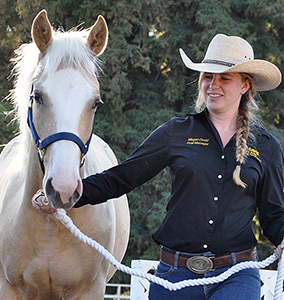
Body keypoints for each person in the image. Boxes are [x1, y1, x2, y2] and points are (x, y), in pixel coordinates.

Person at [33, 34, 284, 299]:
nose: (213, 85)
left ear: (245, 86)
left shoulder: (267, 147)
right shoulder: (176, 133)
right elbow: (122, 178)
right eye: (208, 76)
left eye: (224, 78)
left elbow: (274, 213)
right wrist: (70, 196)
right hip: (175, 274)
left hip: (236, 275)